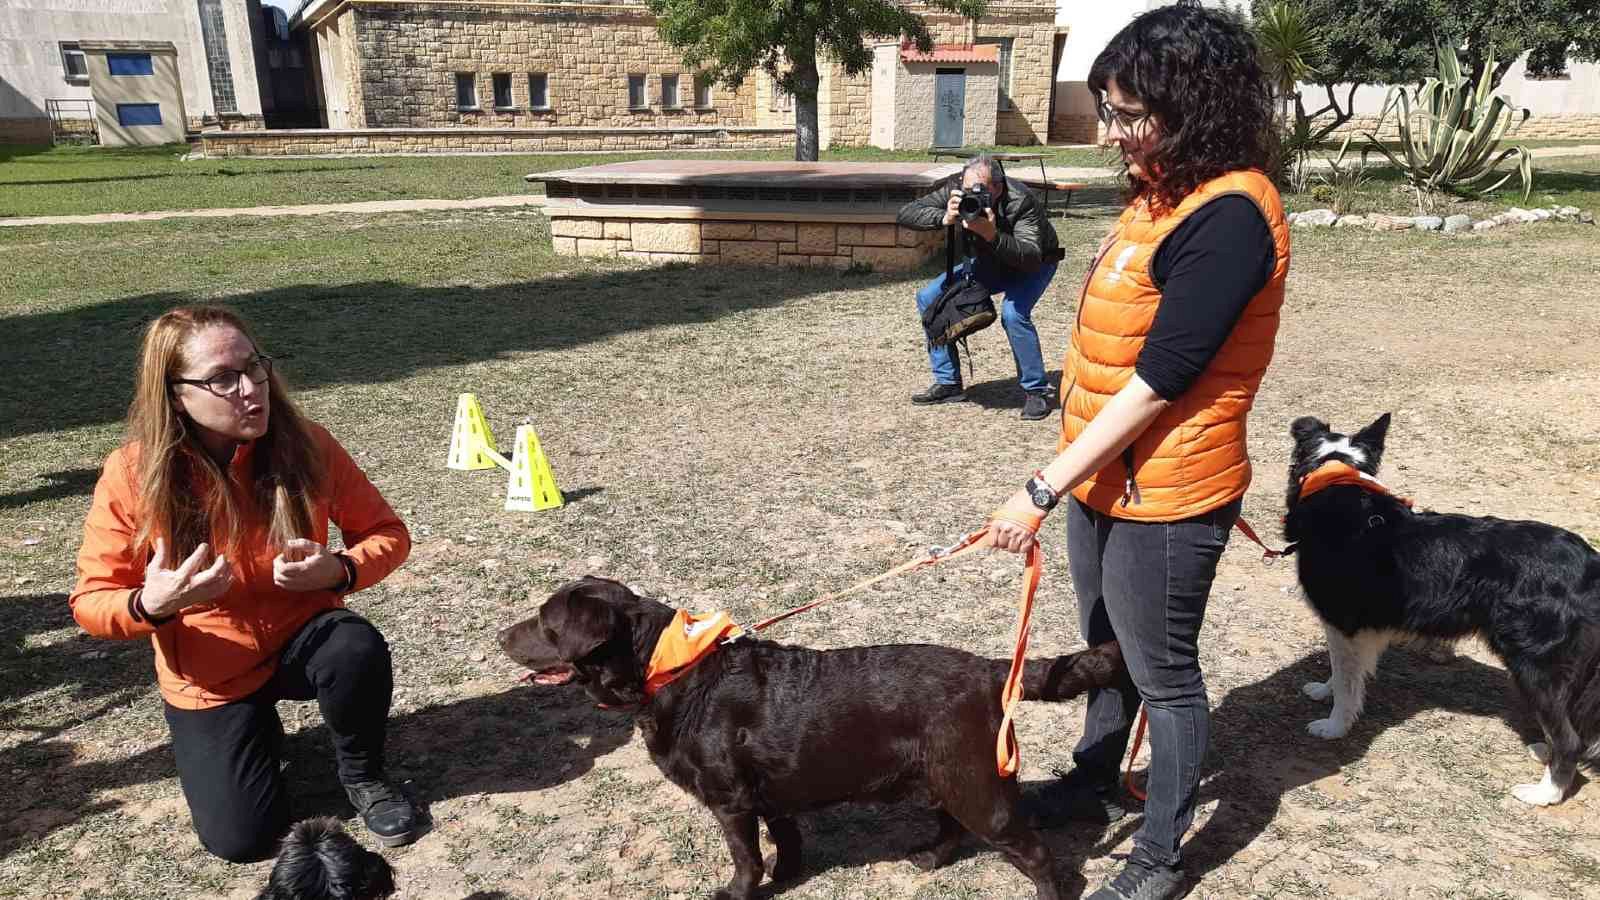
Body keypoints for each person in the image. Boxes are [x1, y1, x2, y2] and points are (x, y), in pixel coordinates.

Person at [983, 5, 1288, 899]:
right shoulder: (1162, 195)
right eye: (1109, 110)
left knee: (1165, 673)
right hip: (1105, 479)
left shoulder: (1231, 214)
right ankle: (1090, 783)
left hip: (1170, 490)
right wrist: (1074, 475)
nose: (1112, 132)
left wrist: (1039, 487)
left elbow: (1160, 380)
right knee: (1107, 641)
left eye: (1127, 113)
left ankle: (1158, 857)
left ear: (1192, 105)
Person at [70, 306, 419, 863]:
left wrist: (339, 570)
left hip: (302, 638)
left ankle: (364, 774)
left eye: (254, 368)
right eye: (221, 379)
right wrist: (150, 603)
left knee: (355, 646)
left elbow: (386, 533)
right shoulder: (133, 474)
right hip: (211, 677)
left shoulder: (308, 444)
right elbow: (90, 602)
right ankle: (251, 732)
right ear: (175, 394)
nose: (251, 389)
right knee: (243, 841)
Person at [898, 154, 1063, 420]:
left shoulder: (1021, 201)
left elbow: (1030, 254)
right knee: (929, 297)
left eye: (982, 190)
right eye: (967, 188)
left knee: (1013, 314)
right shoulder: (958, 189)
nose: (972, 195)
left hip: (1035, 264)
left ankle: (1037, 392)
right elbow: (906, 213)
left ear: (998, 186)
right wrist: (944, 217)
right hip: (990, 262)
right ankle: (948, 383)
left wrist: (991, 234)